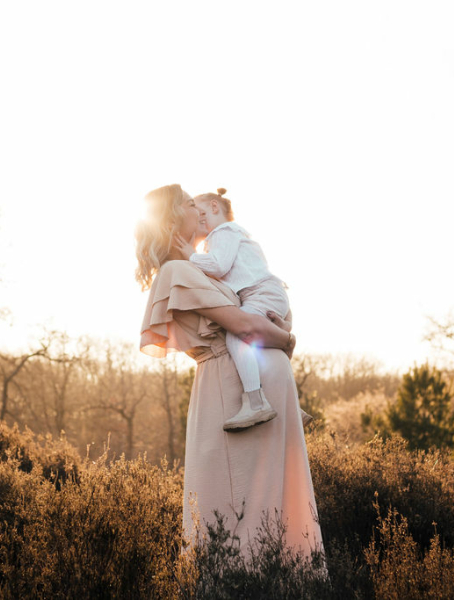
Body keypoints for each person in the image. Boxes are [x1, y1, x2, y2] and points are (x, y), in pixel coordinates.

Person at [136, 183, 323, 558]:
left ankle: (284, 582)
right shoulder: (178, 271)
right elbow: (246, 327)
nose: (199, 210)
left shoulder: (206, 266)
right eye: (191, 204)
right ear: (174, 219)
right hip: (232, 393)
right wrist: (285, 341)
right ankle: (244, 584)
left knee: (274, 502)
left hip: (257, 395)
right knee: (242, 503)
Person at [173, 187, 290, 431]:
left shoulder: (223, 232)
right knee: (261, 347)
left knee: (236, 338)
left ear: (215, 207)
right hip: (264, 293)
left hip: (260, 293)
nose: (200, 221)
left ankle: (256, 402)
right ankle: (287, 403)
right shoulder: (233, 236)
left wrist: (190, 255)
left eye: (202, 213)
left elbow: (218, 265)